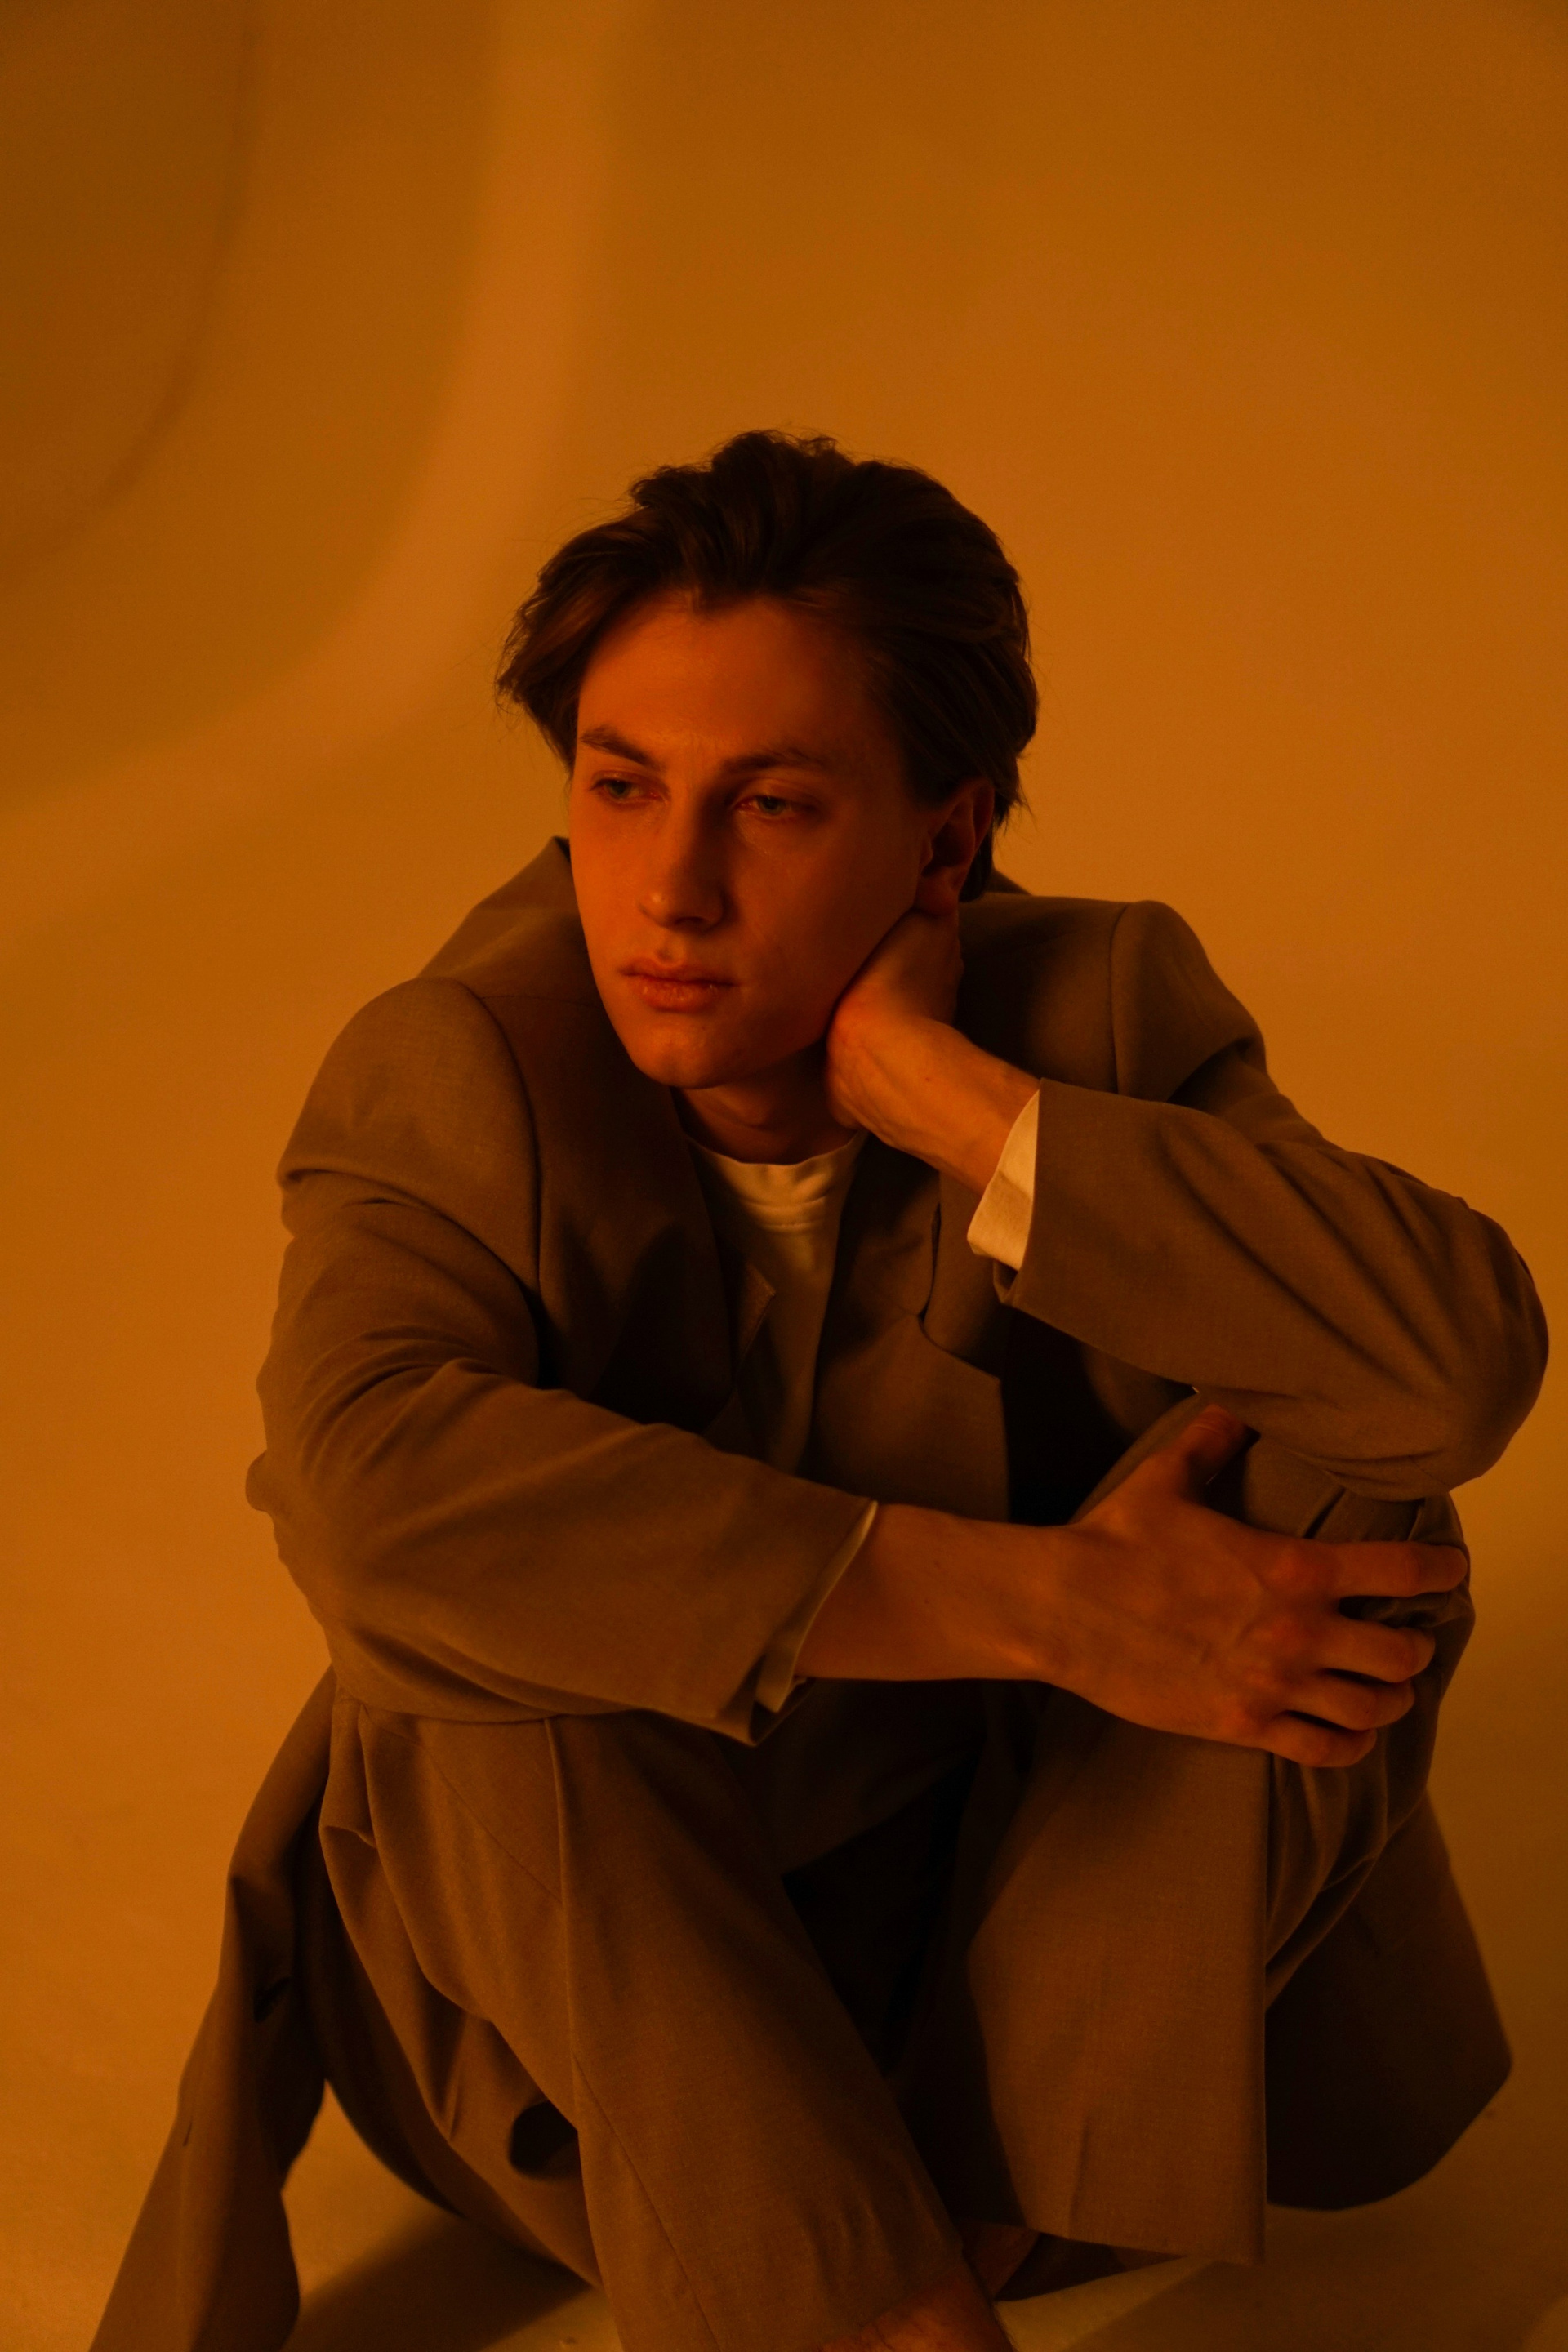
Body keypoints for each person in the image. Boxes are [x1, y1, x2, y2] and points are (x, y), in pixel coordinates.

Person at [93, 431, 1546, 2352]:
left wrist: (958, 1106)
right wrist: (1060, 1607)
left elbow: (1448, 1369)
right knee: (477, 1619)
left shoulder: (1094, 1012)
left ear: (945, 843)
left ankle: (968, 2203)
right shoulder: (454, 1068)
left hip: (1039, 2048)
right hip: (593, 2069)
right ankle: (883, 2318)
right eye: (620, 788)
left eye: (771, 806)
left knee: (1343, 1452)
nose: (669, 890)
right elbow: (372, 1502)